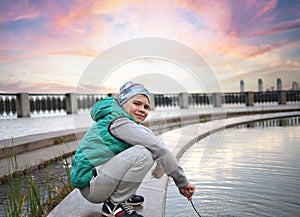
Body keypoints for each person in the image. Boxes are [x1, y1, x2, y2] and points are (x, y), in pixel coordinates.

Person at [70, 81, 195, 217]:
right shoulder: (119, 123)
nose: (142, 109)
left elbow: (153, 141)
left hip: (96, 180)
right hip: (92, 188)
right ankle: (114, 204)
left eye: (146, 107)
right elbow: (159, 149)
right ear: (123, 103)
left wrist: (160, 167)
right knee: (144, 153)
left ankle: (123, 195)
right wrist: (182, 182)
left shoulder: (122, 121)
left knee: (146, 145)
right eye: (137, 104)